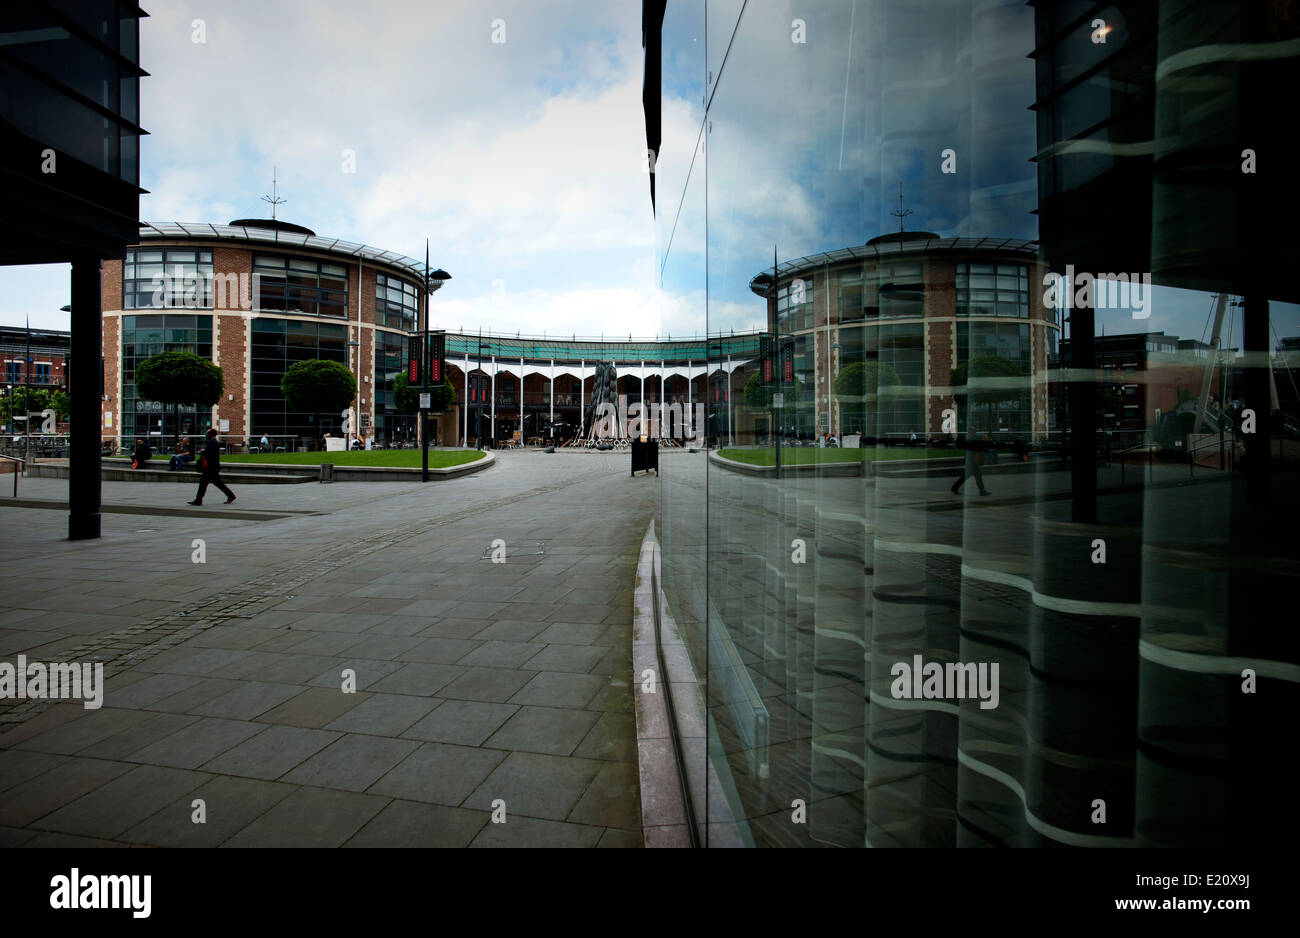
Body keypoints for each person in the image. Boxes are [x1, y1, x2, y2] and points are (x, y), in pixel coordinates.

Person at [188, 428, 235, 505]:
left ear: (211, 434)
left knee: (205, 483)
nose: (206, 435)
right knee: (215, 483)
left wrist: (203, 452)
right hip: (212, 467)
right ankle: (231, 496)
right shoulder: (213, 442)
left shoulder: (213, 442)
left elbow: (209, 454)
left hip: (211, 467)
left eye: (207, 433)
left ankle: (198, 500)